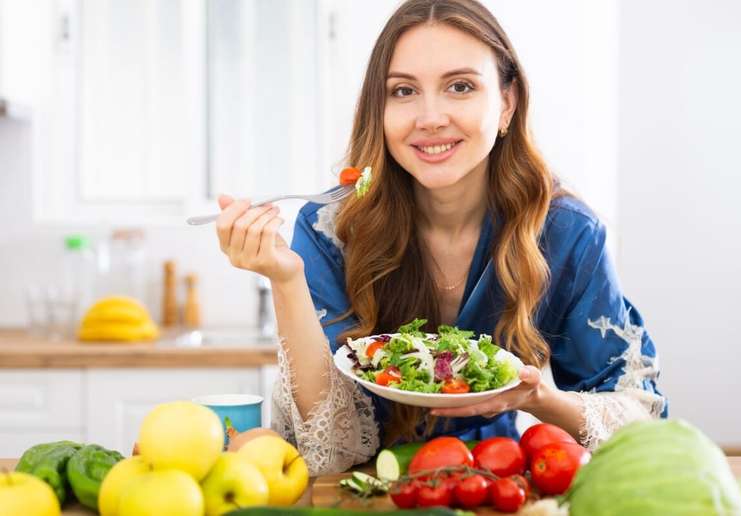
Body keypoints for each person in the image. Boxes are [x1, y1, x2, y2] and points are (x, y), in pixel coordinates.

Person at [214, 0, 666, 475]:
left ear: (507, 104)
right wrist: (285, 281)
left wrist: (541, 399)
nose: (430, 117)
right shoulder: (330, 228)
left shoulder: (565, 231)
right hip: (358, 495)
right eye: (404, 91)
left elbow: (642, 421)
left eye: (460, 86)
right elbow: (332, 452)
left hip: (493, 482)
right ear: (380, 110)